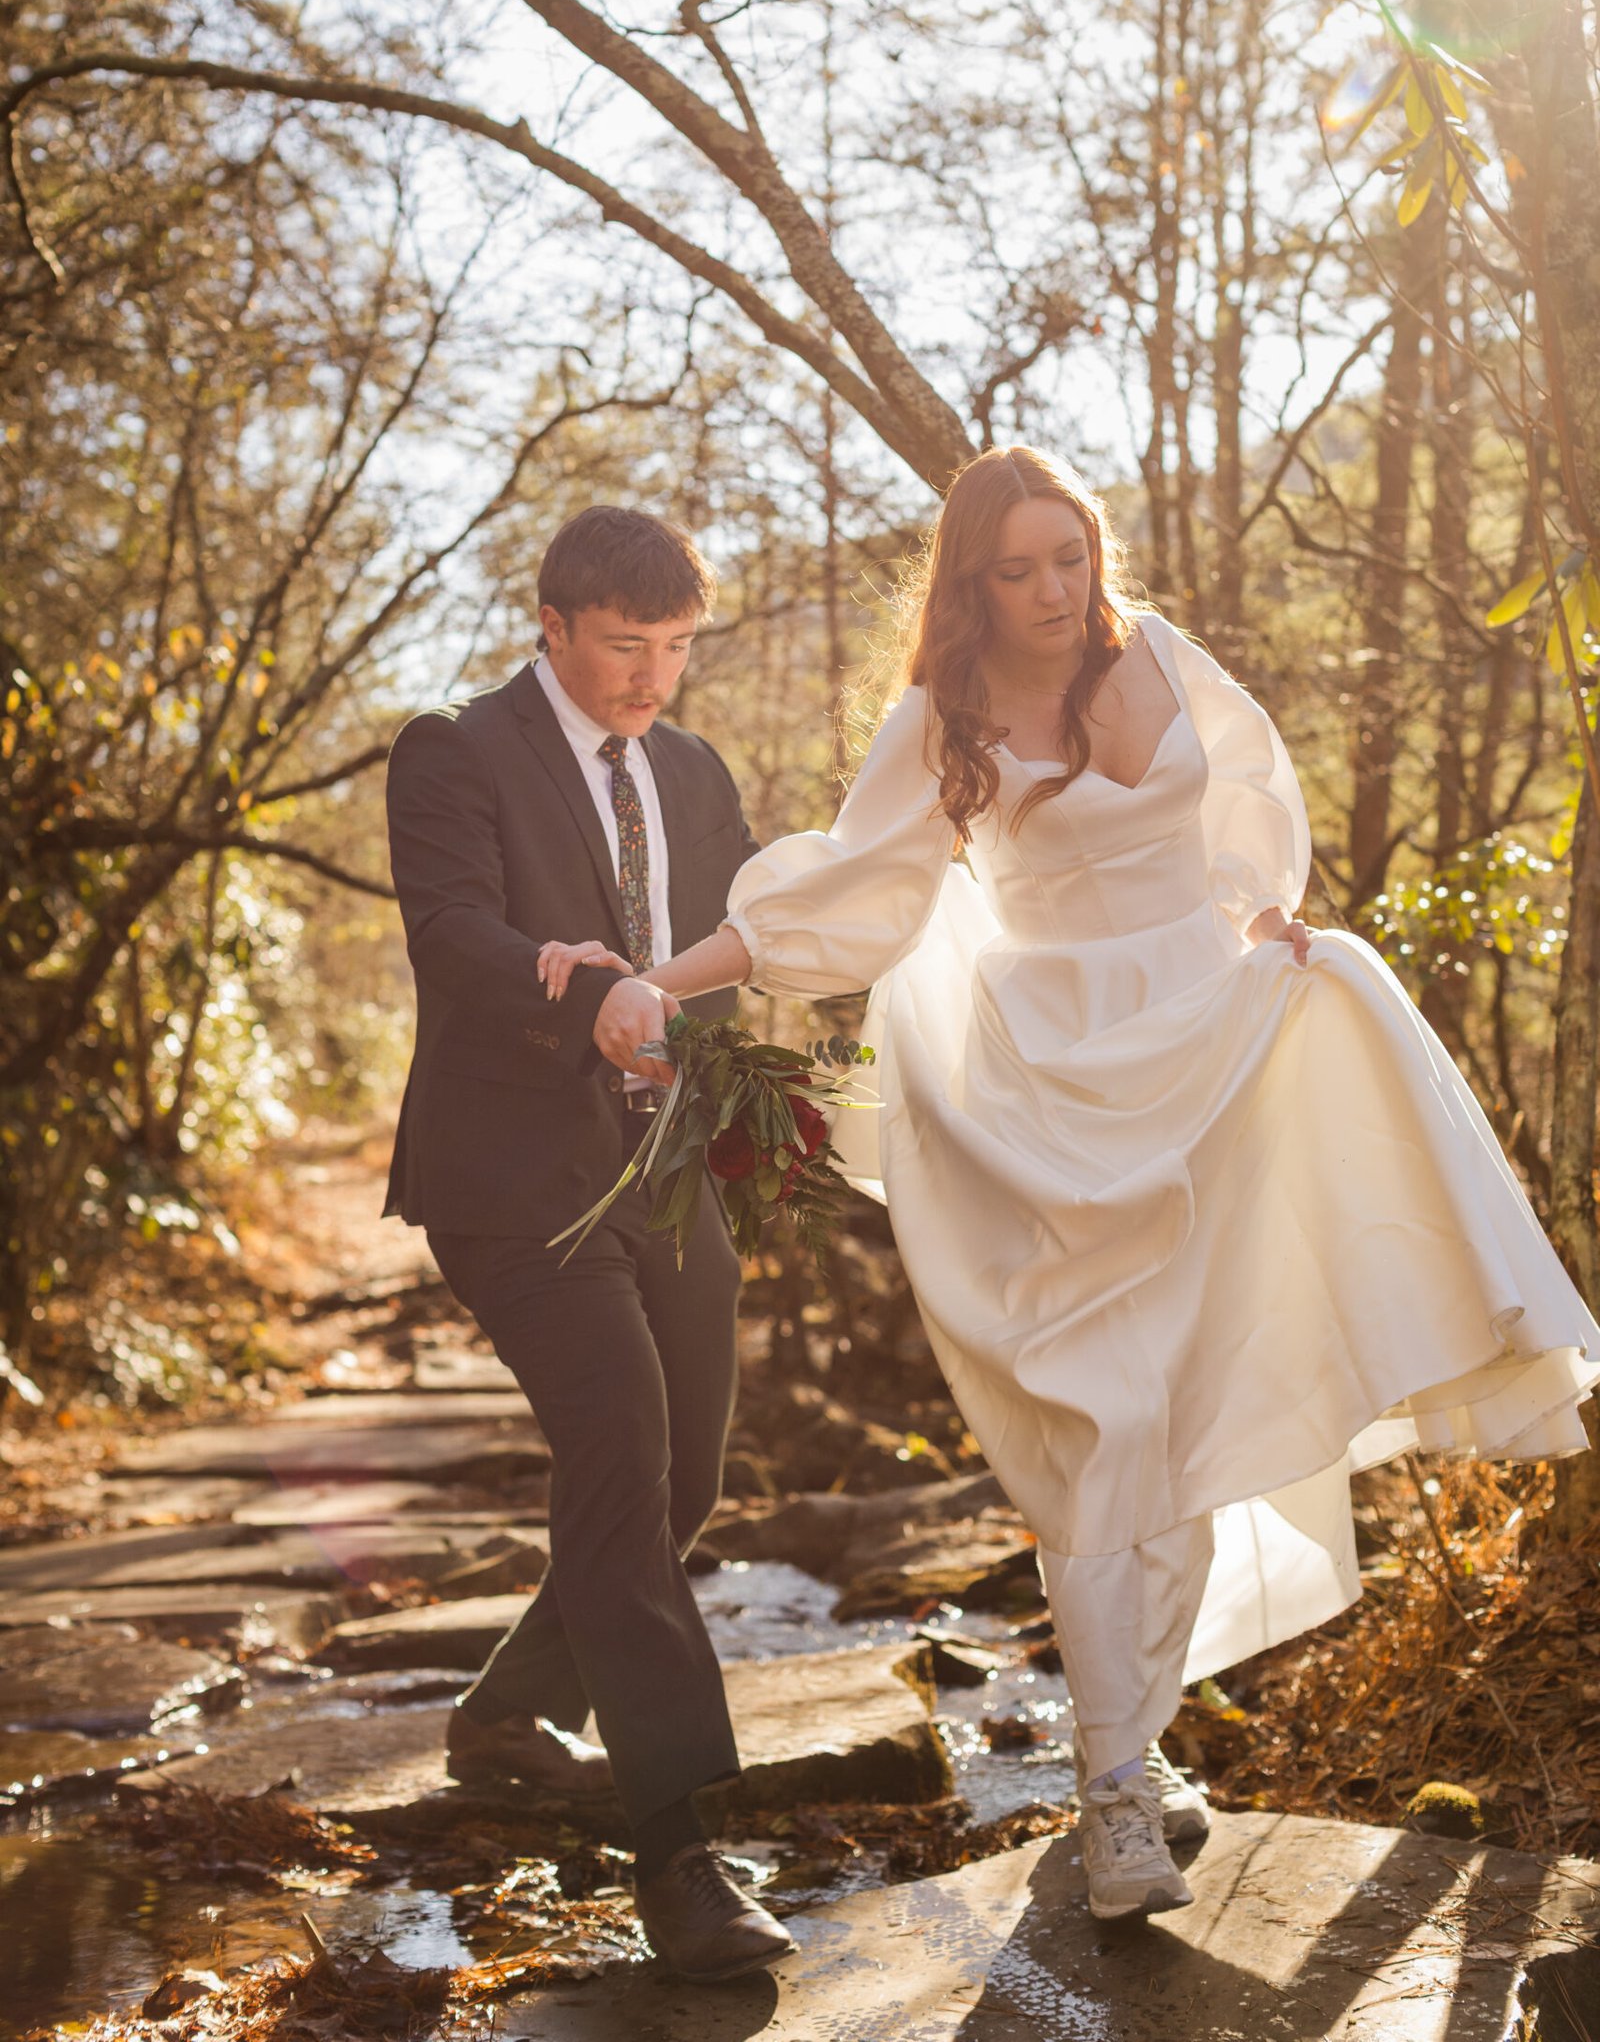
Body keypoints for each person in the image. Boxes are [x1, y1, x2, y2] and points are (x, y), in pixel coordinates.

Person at [542, 447, 1600, 1923]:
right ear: (971, 584)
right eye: (1018, 568)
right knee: (1101, 1428)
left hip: (1214, 1062)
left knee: (1210, 1387)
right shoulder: (943, 718)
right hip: (1049, 1103)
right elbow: (852, 893)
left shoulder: (1159, 654)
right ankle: (1114, 1799)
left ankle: (1135, 1744)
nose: (1054, 592)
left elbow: (1249, 798)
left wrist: (1272, 909)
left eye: (1071, 558)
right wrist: (662, 980)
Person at [383, 504, 794, 1982]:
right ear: (552, 625)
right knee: (619, 1451)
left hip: (669, 1175)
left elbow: (761, 929)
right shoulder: (454, 748)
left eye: (678, 648)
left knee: (680, 1479)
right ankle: (678, 1852)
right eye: (627, 647)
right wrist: (591, 993)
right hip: (509, 1180)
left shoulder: (690, 770)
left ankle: (501, 1719)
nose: (653, 680)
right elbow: (453, 936)